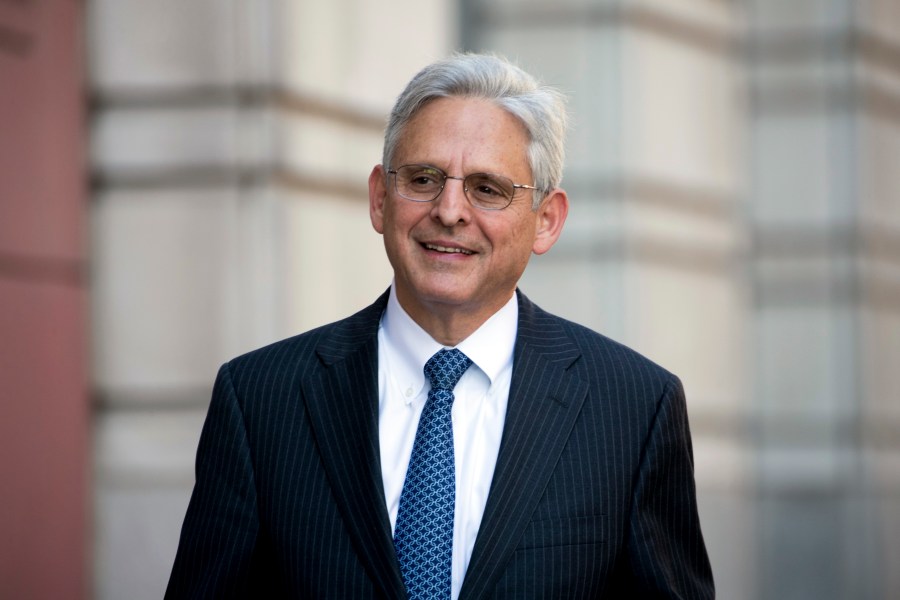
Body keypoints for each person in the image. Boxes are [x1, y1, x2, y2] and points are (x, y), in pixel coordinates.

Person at [166, 53, 714, 599]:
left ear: (546, 221)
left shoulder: (634, 408)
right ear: (380, 199)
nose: (450, 210)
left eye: (487, 188)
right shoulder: (261, 399)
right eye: (424, 179)